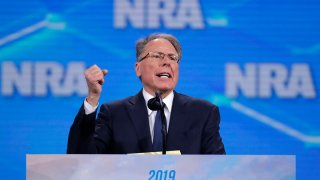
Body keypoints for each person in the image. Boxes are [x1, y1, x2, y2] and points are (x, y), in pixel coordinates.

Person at [67, 33, 226, 154]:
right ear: (138, 68)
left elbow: (219, 170)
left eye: (172, 58)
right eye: (157, 56)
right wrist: (93, 98)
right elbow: (82, 159)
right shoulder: (114, 113)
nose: (166, 62)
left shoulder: (202, 112)